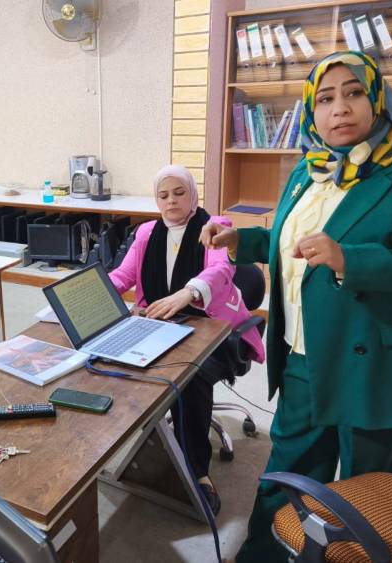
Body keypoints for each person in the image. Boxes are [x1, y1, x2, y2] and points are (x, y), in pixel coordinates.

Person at [199, 52, 392, 562]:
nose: (339, 109)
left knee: (367, 494)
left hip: (379, 364)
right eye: (325, 99)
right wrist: (244, 241)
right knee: (286, 474)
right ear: (312, 110)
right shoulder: (311, 167)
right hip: (305, 357)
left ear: (377, 98)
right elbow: (294, 243)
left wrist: (352, 260)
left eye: (353, 93)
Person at [106, 164, 266, 515]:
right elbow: (123, 276)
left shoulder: (214, 226)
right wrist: (92, 293)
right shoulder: (146, 233)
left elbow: (221, 269)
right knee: (111, 360)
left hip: (215, 329)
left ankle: (196, 470)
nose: (171, 201)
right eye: (163, 195)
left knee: (189, 378)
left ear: (193, 195)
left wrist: (188, 292)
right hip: (161, 326)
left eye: (179, 192)